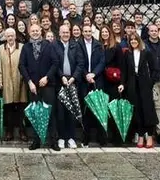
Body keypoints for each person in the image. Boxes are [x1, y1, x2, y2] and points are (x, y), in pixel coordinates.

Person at [19, 21, 58, 151]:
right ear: (29, 32)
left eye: (37, 30)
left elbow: (55, 63)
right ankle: (36, 141)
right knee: (35, 114)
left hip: (48, 85)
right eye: (33, 31)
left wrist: (47, 77)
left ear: (41, 31)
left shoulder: (49, 45)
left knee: (50, 113)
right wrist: (29, 82)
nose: (35, 33)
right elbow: (21, 66)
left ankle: (53, 141)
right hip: (33, 86)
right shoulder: (26, 47)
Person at [119, 33, 156, 148]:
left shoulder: (146, 52)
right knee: (137, 111)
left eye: (135, 39)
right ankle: (140, 135)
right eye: (131, 40)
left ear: (139, 41)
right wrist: (122, 84)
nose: (133, 41)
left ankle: (150, 136)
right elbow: (124, 71)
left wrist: (150, 82)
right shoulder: (127, 54)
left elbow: (154, 69)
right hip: (132, 85)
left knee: (147, 110)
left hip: (145, 84)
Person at [53, 22, 85, 150]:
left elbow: (80, 63)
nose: (65, 34)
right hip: (60, 81)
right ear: (59, 33)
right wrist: (61, 76)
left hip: (72, 81)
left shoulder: (76, 45)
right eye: (63, 32)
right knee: (60, 112)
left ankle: (71, 138)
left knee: (72, 111)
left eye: (67, 32)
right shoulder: (54, 45)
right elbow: (54, 63)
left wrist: (73, 78)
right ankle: (61, 137)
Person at [78, 22, 105, 146]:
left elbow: (102, 62)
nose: (88, 33)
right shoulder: (78, 45)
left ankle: (101, 137)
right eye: (85, 31)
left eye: (89, 31)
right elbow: (79, 62)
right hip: (84, 81)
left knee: (99, 108)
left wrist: (93, 74)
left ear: (92, 32)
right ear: (82, 33)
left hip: (97, 79)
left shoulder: (98, 45)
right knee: (85, 110)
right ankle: (86, 136)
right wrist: (86, 75)